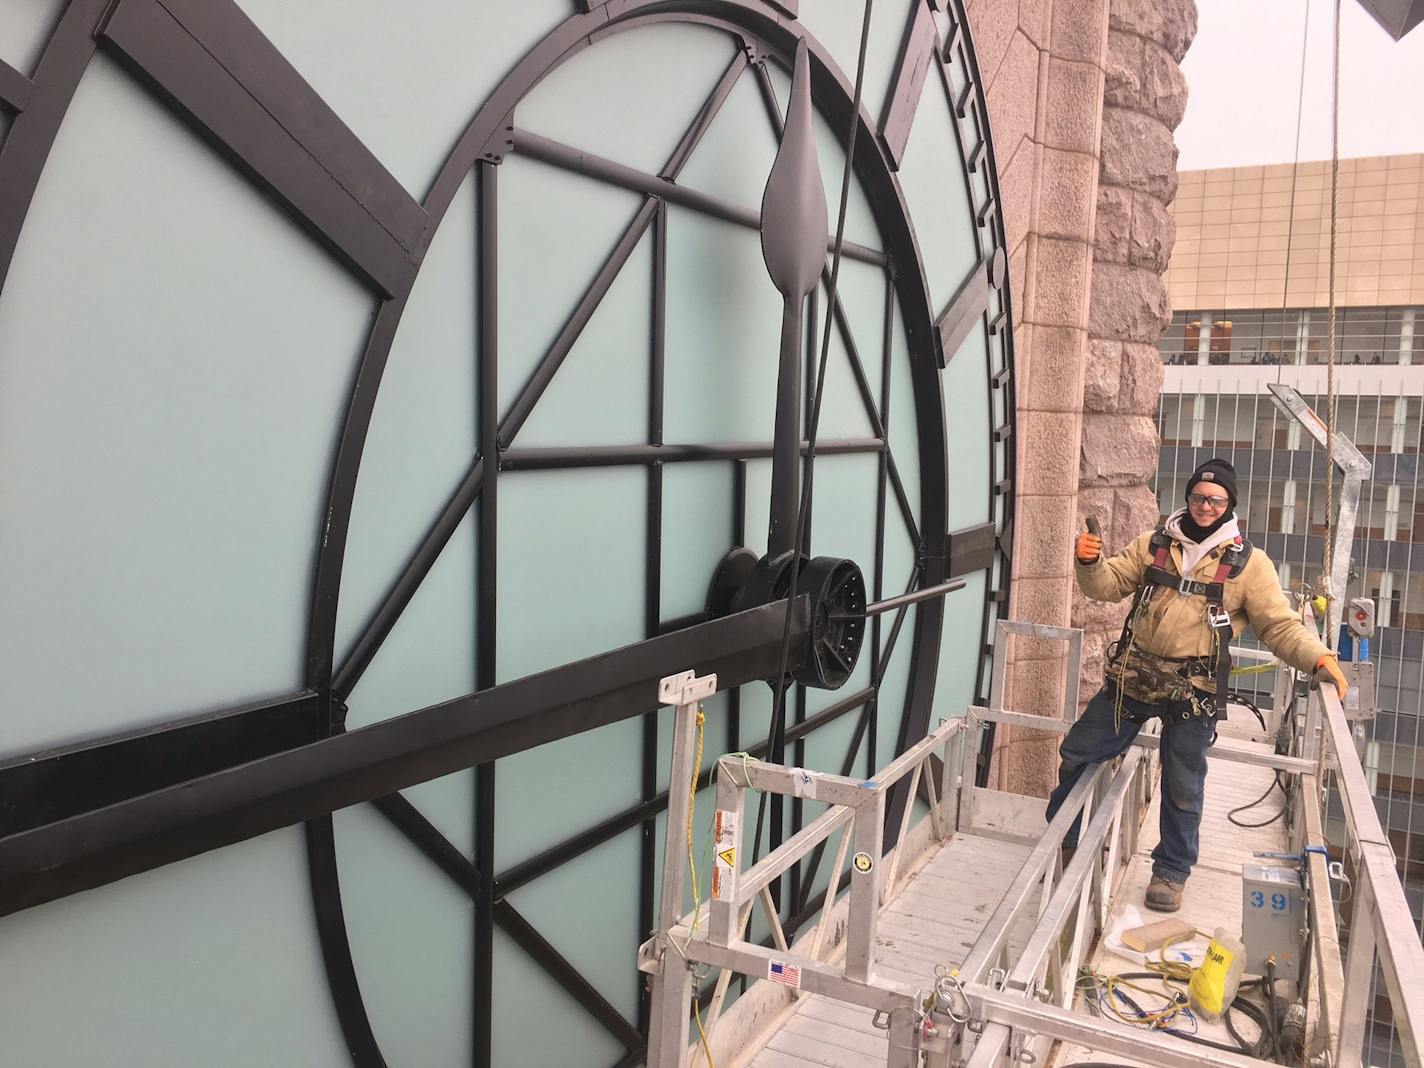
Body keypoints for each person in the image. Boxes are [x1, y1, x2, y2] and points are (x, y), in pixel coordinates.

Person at [1046, 458, 1349, 913]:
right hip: (1136, 676)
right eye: (1197, 497)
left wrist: (1317, 658)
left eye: (1215, 500)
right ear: (1187, 499)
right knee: (1078, 753)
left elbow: (1279, 626)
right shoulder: (1154, 545)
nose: (1204, 506)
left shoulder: (1249, 565)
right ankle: (1065, 839)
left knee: (1183, 783)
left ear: (1229, 505)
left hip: (1194, 689)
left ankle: (1171, 871)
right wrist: (1089, 562)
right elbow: (1107, 587)